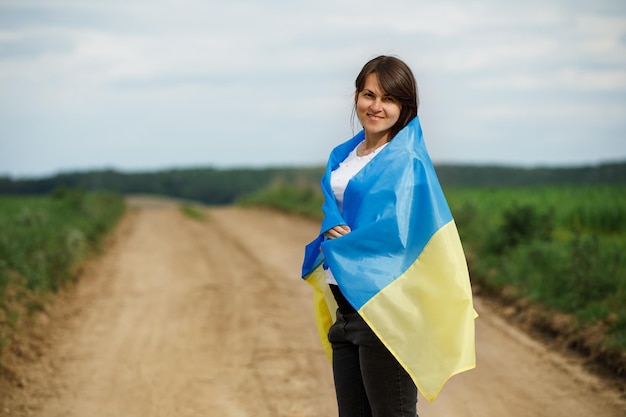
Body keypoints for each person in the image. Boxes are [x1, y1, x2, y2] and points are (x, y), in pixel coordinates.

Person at [301, 55, 476, 417]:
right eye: (369, 95)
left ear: (405, 107)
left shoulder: (406, 160)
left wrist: (348, 243)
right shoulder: (344, 156)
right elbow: (344, 212)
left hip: (385, 310)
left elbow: (402, 236)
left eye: (389, 99)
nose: (376, 107)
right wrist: (332, 231)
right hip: (346, 310)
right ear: (356, 96)